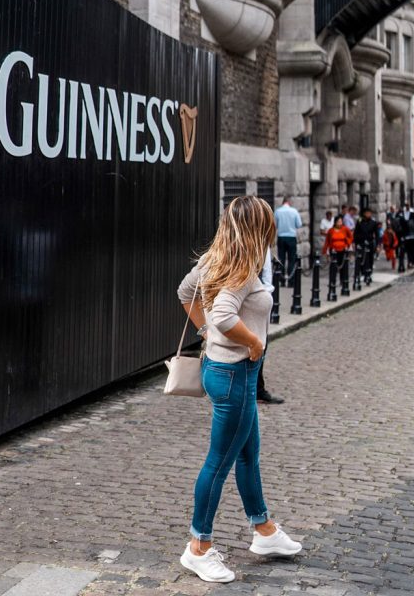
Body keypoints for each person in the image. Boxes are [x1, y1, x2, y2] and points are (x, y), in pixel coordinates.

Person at [177, 196, 302, 583]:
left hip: (227, 371)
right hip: (235, 374)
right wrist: (254, 343)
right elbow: (226, 315)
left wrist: (205, 331)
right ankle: (197, 547)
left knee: (248, 455)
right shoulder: (243, 269)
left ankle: (263, 530)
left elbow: (185, 292)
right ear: (259, 229)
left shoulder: (216, 260)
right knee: (219, 463)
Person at [256, 247, 284, 405]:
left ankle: (257, 388)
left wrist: (267, 294)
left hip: (262, 297)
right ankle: (253, 388)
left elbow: (267, 272)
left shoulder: (263, 244)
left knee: (262, 344)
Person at [274, 196, 302, 287]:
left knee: (281, 259)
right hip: (291, 237)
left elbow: (275, 225)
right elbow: (299, 224)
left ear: (283, 202)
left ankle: (281, 281)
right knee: (291, 259)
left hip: (281, 237)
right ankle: (291, 281)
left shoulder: (278, 211)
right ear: (289, 202)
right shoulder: (294, 211)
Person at [353, 207, 380, 287]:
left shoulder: (373, 222)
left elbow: (377, 234)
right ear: (364, 214)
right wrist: (355, 242)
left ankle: (368, 274)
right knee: (361, 259)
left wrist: (378, 244)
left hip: (370, 243)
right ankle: (363, 273)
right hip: (361, 243)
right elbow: (356, 233)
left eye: (370, 213)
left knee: (370, 259)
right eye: (367, 213)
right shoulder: (360, 221)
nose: (369, 214)